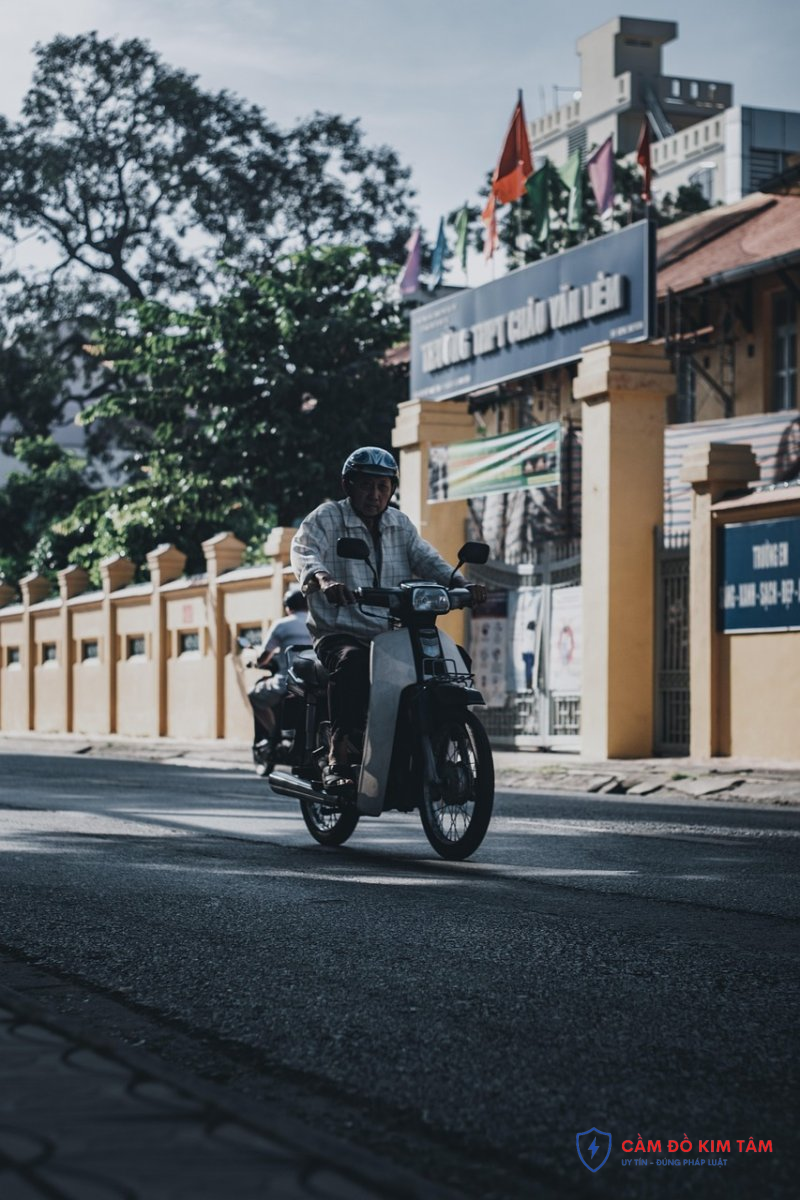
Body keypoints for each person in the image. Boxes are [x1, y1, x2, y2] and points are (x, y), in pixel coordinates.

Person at [290, 446, 486, 792]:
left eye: (383, 486)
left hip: (393, 633)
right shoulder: (326, 518)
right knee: (351, 664)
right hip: (341, 630)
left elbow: (428, 560)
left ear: (392, 489)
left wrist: (460, 584)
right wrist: (325, 581)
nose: (375, 494)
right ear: (348, 485)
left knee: (453, 660)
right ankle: (340, 753)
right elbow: (304, 552)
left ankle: (439, 745)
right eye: (366, 485)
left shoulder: (399, 523)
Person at [249, 588, 310, 771]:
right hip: (314, 681)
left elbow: (263, 657)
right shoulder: (315, 620)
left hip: (287, 681)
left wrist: (258, 662)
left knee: (254, 694)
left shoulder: (282, 625)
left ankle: (273, 732)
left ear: (287, 607)